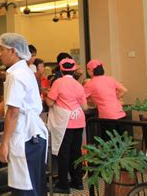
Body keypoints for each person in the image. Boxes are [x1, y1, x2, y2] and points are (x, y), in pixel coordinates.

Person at [0, 33, 48, 196]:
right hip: (34, 137)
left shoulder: (17, 75)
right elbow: (5, 104)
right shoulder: (22, 72)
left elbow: (13, 112)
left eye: (2, 49)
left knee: (26, 189)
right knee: (34, 186)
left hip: (27, 138)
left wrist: (4, 144)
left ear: (13, 51)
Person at [45, 58, 87, 193]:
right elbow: (85, 106)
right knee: (76, 152)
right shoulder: (78, 85)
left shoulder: (58, 82)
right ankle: (77, 182)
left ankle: (63, 185)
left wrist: (46, 95)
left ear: (61, 70)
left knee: (64, 153)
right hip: (79, 121)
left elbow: (50, 103)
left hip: (65, 122)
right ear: (74, 70)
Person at [84, 59, 128, 137]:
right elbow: (124, 90)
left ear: (90, 70)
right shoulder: (110, 79)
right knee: (121, 143)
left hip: (107, 116)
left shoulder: (90, 84)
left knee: (109, 143)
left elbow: (81, 98)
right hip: (120, 114)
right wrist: (115, 98)